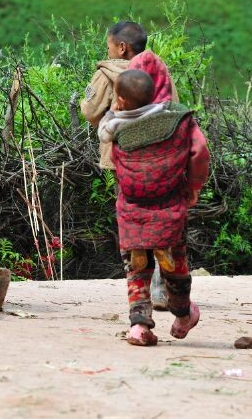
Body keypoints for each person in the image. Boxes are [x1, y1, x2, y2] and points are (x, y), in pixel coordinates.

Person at [98, 70, 210, 346]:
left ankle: (139, 326)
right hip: (169, 206)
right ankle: (183, 315)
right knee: (176, 266)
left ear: (121, 99)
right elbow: (200, 149)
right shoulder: (177, 119)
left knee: (137, 267)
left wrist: (115, 109)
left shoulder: (115, 126)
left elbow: (103, 130)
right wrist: (193, 187)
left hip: (132, 208)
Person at [81, 20, 178, 309]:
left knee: (134, 221)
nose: (108, 51)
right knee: (161, 218)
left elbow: (90, 110)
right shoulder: (160, 70)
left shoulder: (109, 72)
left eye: (109, 46)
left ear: (121, 48)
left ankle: (142, 292)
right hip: (161, 160)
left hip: (125, 162)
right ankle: (163, 286)